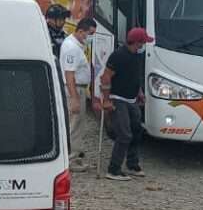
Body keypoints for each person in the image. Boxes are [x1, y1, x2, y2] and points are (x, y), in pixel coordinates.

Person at [100, 27, 150, 180]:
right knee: (124, 135)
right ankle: (113, 169)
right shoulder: (118, 56)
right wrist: (107, 100)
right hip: (118, 98)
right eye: (143, 42)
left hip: (131, 99)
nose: (144, 45)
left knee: (136, 130)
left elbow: (134, 77)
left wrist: (139, 92)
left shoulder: (136, 56)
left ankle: (132, 164)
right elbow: (106, 77)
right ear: (137, 42)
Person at [60, 17, 96, 169]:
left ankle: (76, 155)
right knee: (74, 125)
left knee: (78, 124)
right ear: (81, 31)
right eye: (90, 33)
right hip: (75, 89)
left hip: (79, 88)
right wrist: (74, 98)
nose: (91, 37)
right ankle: (72, 160)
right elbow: (69, 75)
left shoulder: (76, 45)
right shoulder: (72, 48)